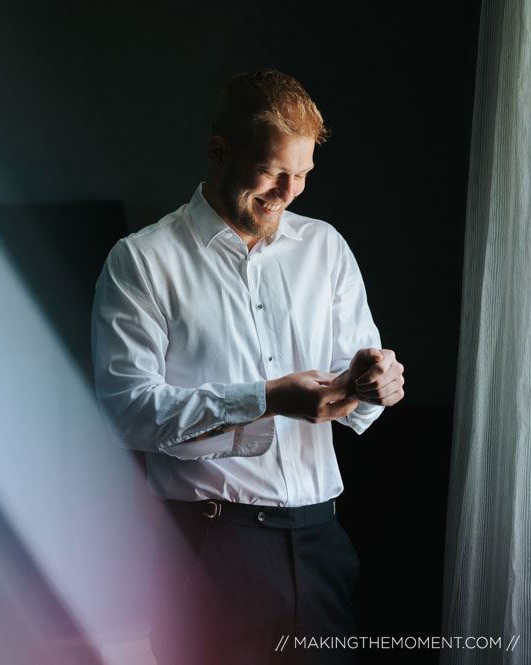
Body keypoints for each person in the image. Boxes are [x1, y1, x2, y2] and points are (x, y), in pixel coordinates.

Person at [90, 69, 405, 664]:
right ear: (220, 151)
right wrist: (265, 398)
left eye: (304, 175)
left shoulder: (327, 249)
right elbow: (127, 414)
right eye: (273, 171)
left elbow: (356, 379)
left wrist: (375, 383)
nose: (289, 192)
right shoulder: (143, 262)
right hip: (210, 549)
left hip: (321, 542)